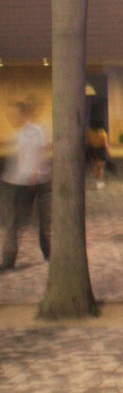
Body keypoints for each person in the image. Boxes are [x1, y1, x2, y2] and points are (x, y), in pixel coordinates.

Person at [1, 100, 51, 270]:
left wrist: (33, 172)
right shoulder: (22, 133)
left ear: (23, 115)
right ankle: (46, 254)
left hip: (30, 180)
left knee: (19, 222)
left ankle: (10, 260)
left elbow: (36, 153)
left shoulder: (31, 132)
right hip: (27, 179)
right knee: (34, 221)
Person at [85, 115, 112, 190]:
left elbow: (87, 141)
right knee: (100, 168)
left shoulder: (89, 132)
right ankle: (99, 182)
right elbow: (105, 145)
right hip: (100, 151)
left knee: (94, 166)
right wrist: (109, 153)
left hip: (92, 150)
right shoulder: (103, 134)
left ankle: (95, 179)